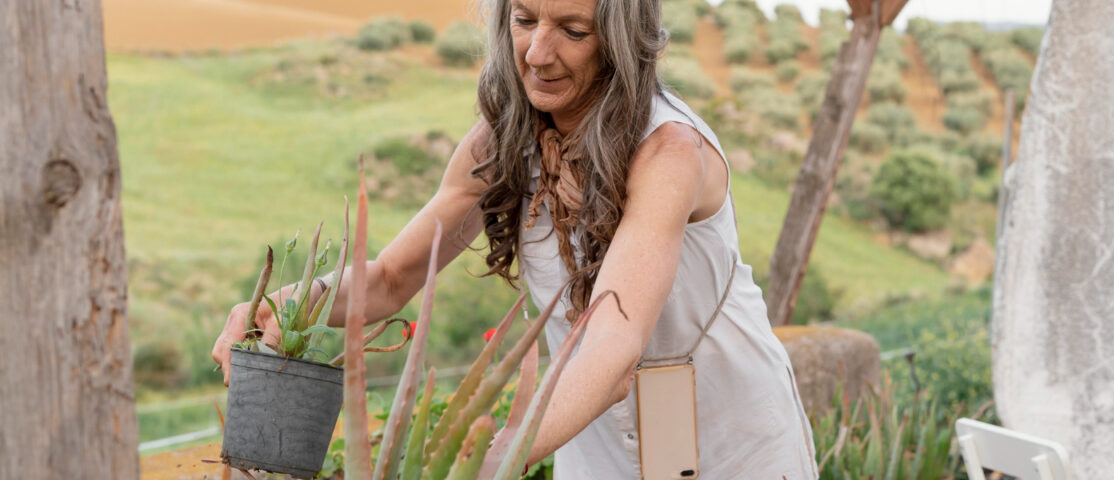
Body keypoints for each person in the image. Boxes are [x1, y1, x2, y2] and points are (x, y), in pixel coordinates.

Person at [212, 0, 818, 477]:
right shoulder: (497, 143)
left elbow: (613, 343)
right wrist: (282, 305)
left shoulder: (669, 152)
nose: (538, 52)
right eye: (524, 20)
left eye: (573, 30)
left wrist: (489, 458)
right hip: (590, 445)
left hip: (734, 442)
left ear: (622, 41)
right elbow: (391, 279)